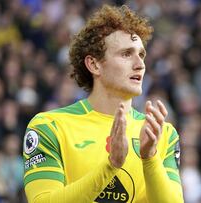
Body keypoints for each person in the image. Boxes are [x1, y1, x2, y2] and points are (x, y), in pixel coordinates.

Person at [23, 4, 183, 203]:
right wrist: (111, 166)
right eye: (126, 54)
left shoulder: (161, 134)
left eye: (141, 54)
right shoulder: (50, 126)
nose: (140, 64)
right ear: (94, 64)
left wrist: (150, 158)